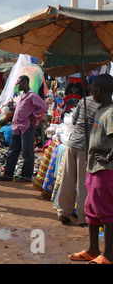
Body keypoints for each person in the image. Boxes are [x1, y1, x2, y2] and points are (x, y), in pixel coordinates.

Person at [68, 74, 113, 265]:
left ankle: (108, 255)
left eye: (93, 88)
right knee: (91, 209)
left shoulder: (110, 112)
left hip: (105, 169)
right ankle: (93, 249)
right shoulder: (100, 109)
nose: (91, 92)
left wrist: (108, 157)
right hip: (93, 167)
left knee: (106, 211)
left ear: (100, 90)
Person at [56, 96, 99, 225]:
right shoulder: (104, 106)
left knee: (67, 178)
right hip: (84, 147)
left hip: (72, 143)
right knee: (83, 182)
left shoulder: (84, 100)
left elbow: (73, 121)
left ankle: (63, 211)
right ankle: (83, 216)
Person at [0, 75, 49, 182]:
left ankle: (26, 176)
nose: (18, 85)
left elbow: (44, 106)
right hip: (17, 127)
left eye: (19, 83)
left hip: (26, 126)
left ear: (26, 83)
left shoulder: (32, 96)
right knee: (12, 151)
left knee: (27, 152)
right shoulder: (22, 95)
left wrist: (34, 114)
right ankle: (8, 174)